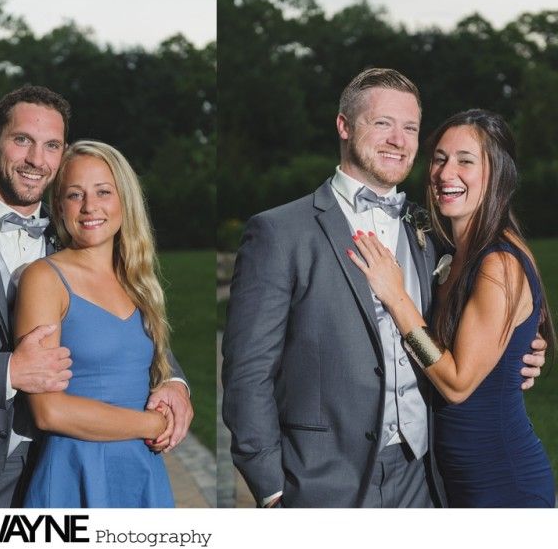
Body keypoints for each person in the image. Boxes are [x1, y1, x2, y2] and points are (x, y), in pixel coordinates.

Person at [221, 68, 546, 508]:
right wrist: (271, 489)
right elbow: (247, 370)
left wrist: (518, 352)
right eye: (382, 123)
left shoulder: (432, 232)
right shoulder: (281, 232)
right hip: (323, 484)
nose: (398, 139)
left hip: (425, 480)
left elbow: (482, 332)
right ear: (344, 126)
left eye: (410, 128)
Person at [0, 85, 193, 507]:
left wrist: (174, 381)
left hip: (55, 462)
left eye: (51, 146)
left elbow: (121, 322)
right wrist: (9, 371)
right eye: (22, 140)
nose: (36, 159)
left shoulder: (78, 232)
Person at [347, 109, 555, 507]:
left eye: (465, 161)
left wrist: (397, 299)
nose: (446, 173)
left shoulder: (499, 263)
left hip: (503, 484)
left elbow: (457, 384)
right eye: (440, 159)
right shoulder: (450, 252)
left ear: (497, 175)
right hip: (455, 482)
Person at [16, 140, 175, 507]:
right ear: (59, 206)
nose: (89, 207)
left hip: (142, 470)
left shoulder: (136, 279)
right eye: (75, 195)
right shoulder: (44, 279)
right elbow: (48, 411)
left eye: (103, 192)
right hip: (76, 470)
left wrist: (174, 391)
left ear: (124, 200)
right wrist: (154, 424)